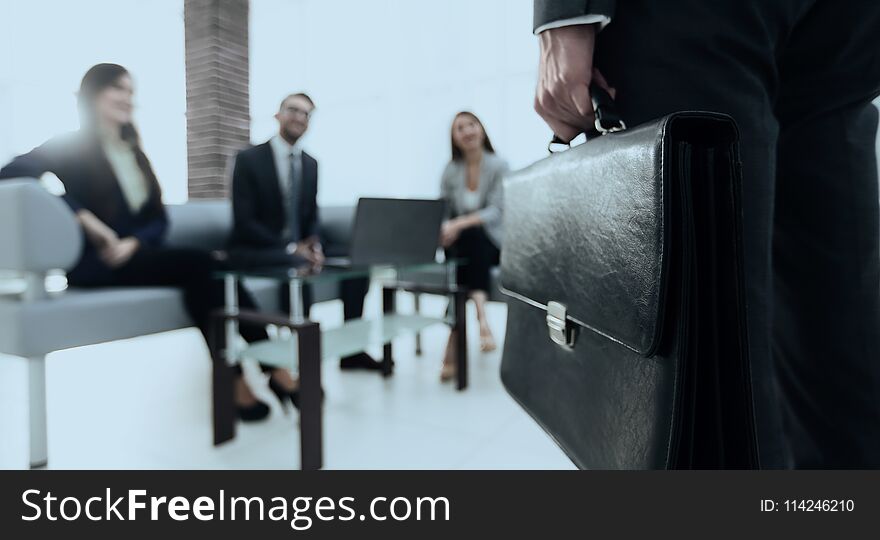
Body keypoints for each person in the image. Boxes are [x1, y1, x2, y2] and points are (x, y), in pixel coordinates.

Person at [532, 0, 880, 469]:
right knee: (822, 353)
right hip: (839, 36)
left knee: (722, 385)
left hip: (701, 21)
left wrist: (565, 15)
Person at [0, 63, 285, 422]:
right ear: (93, 93)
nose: (127, 98)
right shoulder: (69, 146)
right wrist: (82, 217)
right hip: (97, 263)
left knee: (208, 272)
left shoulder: (134, 150)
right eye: (118, 89)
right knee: (203, 266)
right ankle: (273, 365)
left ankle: (242, 375)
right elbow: (10, 173)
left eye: (131, 91)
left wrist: (133, 242)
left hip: (134, 255)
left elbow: (158, 218)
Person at [229, 92, 383, 383]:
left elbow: (311, 214)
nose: (299, 117)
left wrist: (315, 243)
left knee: (357, 257)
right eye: (293, 110)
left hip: (298, 246)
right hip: (258, 246)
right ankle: (297, 356)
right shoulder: (248, 159)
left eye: (306, 113)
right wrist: (291, 247)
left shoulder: (311, 164)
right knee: (296, 261)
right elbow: (244, 221)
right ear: (278, 115)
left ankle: (352, 351)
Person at [438, 111, 508, 382]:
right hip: (462, 246)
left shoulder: (499, 165)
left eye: (471, 125)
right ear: (454, 138)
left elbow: (498, 211)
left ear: (481, 129)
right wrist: (445, 227)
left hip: (492, 240)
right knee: (464, 242)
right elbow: (443, 208)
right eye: (460, 128)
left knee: (472, 236)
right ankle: (481, 318)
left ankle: (453, 337)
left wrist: (458, 224)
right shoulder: (450, 169)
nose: (467, 131)